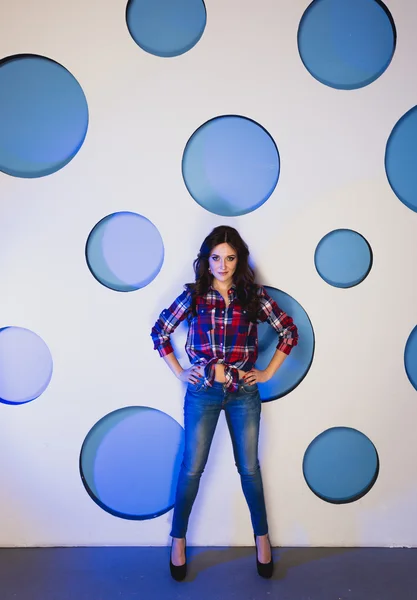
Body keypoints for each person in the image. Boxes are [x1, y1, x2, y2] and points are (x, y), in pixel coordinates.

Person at [151, 225, 298, 580]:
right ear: (206, 260)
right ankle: (178, 539)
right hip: (202, 392)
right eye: (216, 257)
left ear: (239, 260)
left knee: (249, 468)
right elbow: (160, 331)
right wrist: (179, 372)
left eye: (230, 258)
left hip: (243, 394)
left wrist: (265, 373)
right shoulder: (194, 296)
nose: (223, 265)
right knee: (192, 468)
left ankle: (262, 540)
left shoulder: (253, 296)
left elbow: (288, 331)